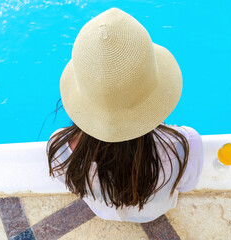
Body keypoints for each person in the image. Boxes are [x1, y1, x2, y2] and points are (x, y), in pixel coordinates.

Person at [46, 7, 204, 223]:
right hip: (153, 214)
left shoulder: (59, 148)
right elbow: (187, 184)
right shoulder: (184, 143)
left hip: (104, 214)